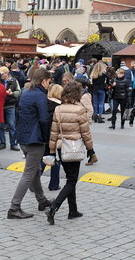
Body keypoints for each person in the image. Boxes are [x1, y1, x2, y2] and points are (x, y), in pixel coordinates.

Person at [46, 81, 93, 224]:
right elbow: (86, 133)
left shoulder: (58, 109)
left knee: (69, 179)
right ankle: (54, 207)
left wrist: (52, 151)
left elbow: (53, 133)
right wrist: (91, 150)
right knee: (72, 180)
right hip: (74, 148)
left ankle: (73, 210)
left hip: (61, 147)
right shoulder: (80, 110)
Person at [8, 68, 53, 219]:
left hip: (23, 138)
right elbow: (44, 119)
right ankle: (14, 207)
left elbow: (18, 114)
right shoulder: (40, 96)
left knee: (35, 172)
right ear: (43, 81)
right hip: (35, 140)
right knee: (29, 173)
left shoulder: (25, 93)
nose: (49, 85)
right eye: (48, 82)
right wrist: (47, 140)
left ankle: (42, 201)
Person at [45, 84, 64, 191]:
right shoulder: (60, 106)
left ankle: (34, 181)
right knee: (56, 159)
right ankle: (54, 184)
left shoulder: (44, 102)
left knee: (44, 158)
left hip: (44, 134)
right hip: (56, 135)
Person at [0, 66, 21, 151]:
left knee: (12, 125)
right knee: (1, 125)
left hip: (10, 105)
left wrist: (12, 94)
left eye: (2, 74)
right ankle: (2, 143)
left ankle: (13, 144)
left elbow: (19, 92)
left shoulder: (14, 80)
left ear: (6, 73)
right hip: (0, 105)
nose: (1, 75)